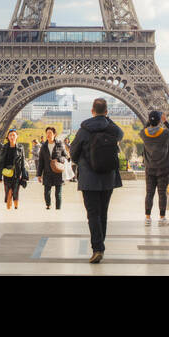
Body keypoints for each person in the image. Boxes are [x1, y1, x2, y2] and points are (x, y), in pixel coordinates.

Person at [69, 97, 124, 263]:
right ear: (106, 112)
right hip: (108, 177)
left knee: (93, 214)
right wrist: (107, 119)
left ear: (92, 111)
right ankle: (100, 245)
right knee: (103, 213)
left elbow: (73, 152)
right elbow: (120, 134)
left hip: (88, 178)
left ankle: (97, 248)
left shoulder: (84, 129)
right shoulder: (111, 128)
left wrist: (84, 164)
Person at [139, 111, 169, 226]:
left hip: (150, 167)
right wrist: (165, 122)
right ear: (159, 120)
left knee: (149, 193)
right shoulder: (164, 133)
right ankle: (162, 218)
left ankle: (147, 218)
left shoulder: (144, 133)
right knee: (162, 193)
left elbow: (145, 128)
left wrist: (149, 121)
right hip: (163, 167)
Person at [36, 126, 67, 210]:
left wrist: (58, 159)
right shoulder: (43, 146)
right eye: (47, 133)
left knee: (58, 193)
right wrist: (39, 175)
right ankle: (48, 204)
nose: (48, 135)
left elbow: (65, 156)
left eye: (50, 133)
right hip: (47, 172)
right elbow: (41, 161)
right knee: (47, 192)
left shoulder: (60, 144)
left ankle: (58, 208)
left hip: (58, 172)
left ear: (54, 134)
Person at [0, 129, 27, 209]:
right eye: (10, 135)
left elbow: (23, 162)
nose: (12, 137)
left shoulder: (20, 148)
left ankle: (16, 207)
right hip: (7, 173)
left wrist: (24, 175)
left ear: (17, 136)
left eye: (14, 135)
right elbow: (1, 162)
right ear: (8, 137)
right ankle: (9, 208)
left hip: (16, 173)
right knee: (8, 192)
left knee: (15, 191)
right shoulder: (4, 147)